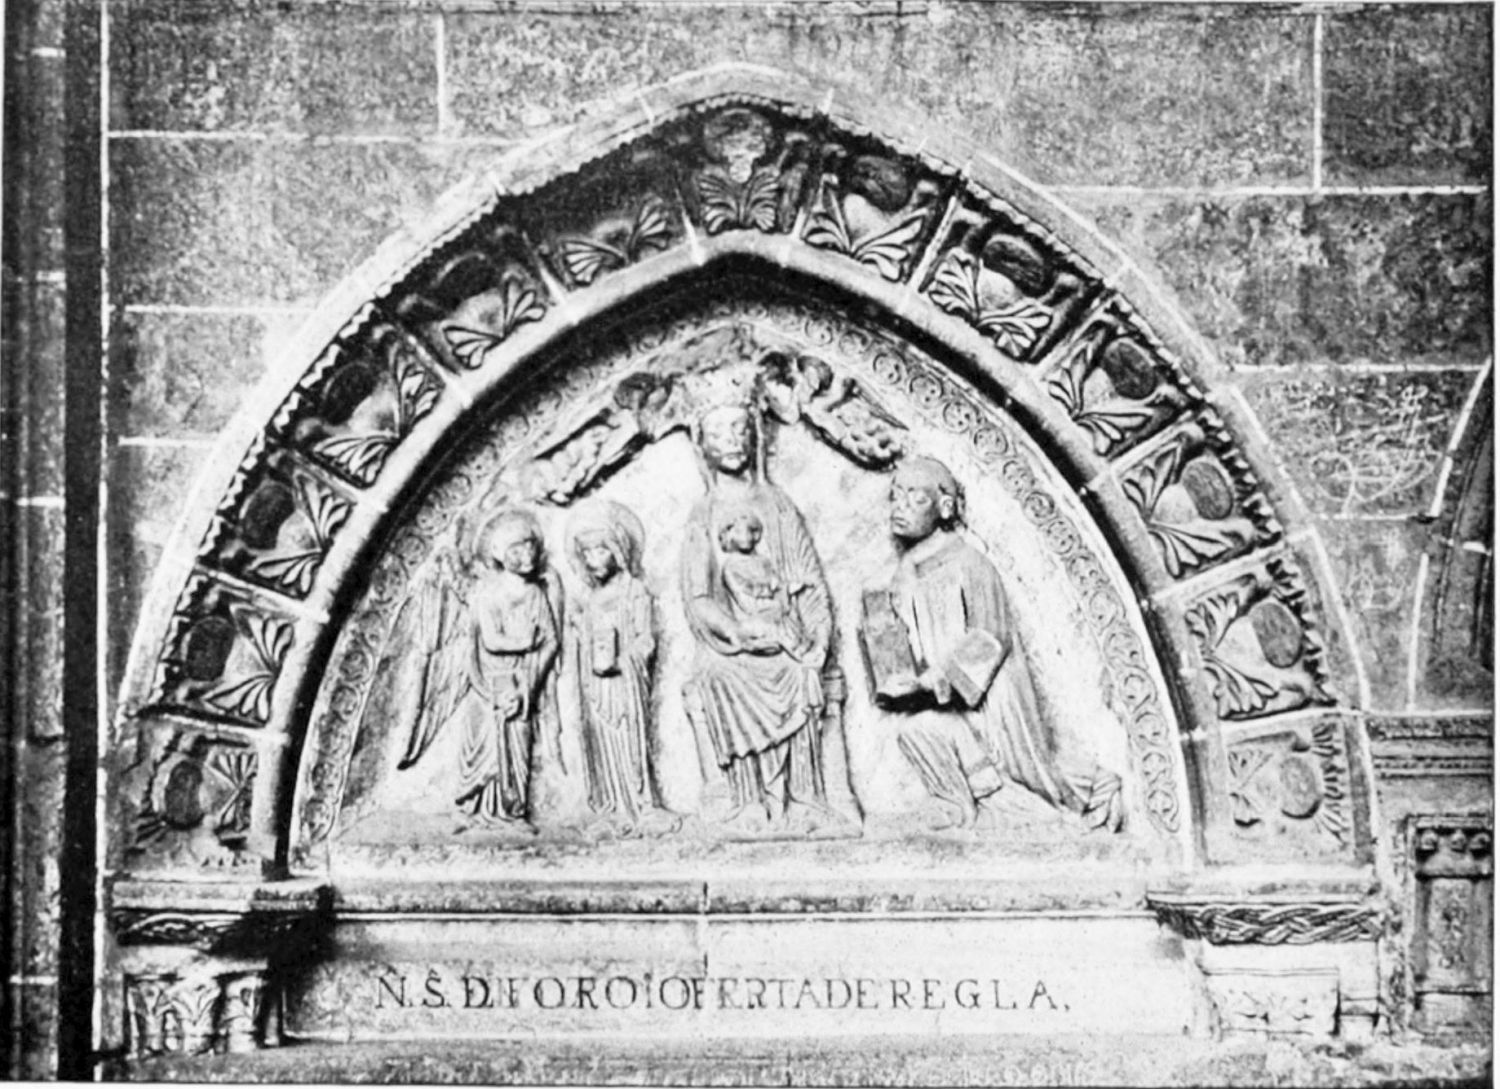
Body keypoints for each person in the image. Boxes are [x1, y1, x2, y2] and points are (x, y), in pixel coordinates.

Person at [869, 455, 1121, 831]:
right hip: (940, 699)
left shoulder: (969, 564)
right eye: (896, 496)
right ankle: (963, 802)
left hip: (989, 703)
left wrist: (935, 681)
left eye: (916, 499)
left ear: (945, 507)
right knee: (916, 731)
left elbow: (989, 636)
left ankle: (1076, 792)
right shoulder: (906, 573)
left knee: (1027, 773)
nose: (900, 508)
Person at [680, 398, 837, 833]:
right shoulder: (703, 515)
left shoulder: (779, 505)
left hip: (786, 634)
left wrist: (818, 639)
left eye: (739, 428)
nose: (731, 440)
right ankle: (747, 800)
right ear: (701, 445)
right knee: (719, 677)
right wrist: (736, 631)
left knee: (802, 671)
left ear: (756, 436)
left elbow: (809, 581)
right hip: (732, 645)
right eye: (718, 433)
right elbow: (698, 598)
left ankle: (804, 799)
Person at [565, 500, 678, 836]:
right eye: (586, 553)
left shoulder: (634, 591)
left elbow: (646, 641)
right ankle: (612, 809)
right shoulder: (588, 599)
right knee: (601, 747)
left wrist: (622, 660)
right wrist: (579, 631)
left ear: (618, 550)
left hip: (625, 685)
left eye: (600, 550)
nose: (593, 559)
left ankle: (641, 806)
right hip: (595, 688)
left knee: (630, 745)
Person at [458, 509, 561, 827]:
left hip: (522, 684)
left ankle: (513, 812)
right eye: (516, 549)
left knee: (518, 746)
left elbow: (552, 640)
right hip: (488, 684)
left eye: (530, 546)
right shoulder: (488, 593)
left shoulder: (536, 593)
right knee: (488, 745)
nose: (526, 554)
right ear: (499, 554)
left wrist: (528, 686)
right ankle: (477, 812)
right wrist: (525, 641)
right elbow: (491, 640)